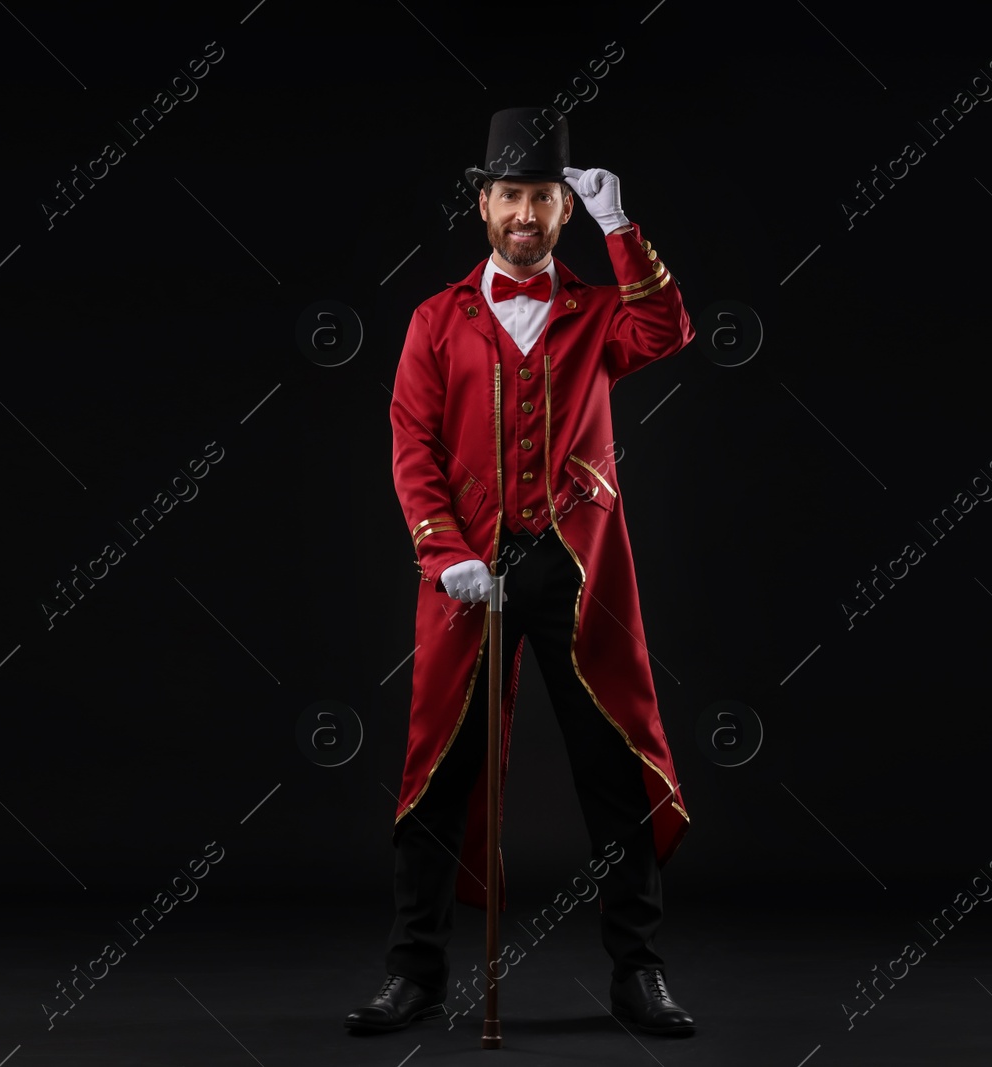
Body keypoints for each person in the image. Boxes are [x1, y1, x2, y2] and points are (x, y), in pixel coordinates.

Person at [345, 107, 695, 1037]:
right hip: (469, 575)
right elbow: (411, 443)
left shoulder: (598, 313)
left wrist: (623, 229)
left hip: (579, 574)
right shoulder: (435, 318)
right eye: (511, 196)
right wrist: (445, 551)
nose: (527, 213)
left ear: (563, 209)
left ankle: (638, 973)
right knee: (439, 770)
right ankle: (413, 972)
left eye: (544, 197)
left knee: (613, 766)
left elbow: (666, 331)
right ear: (484, 204)